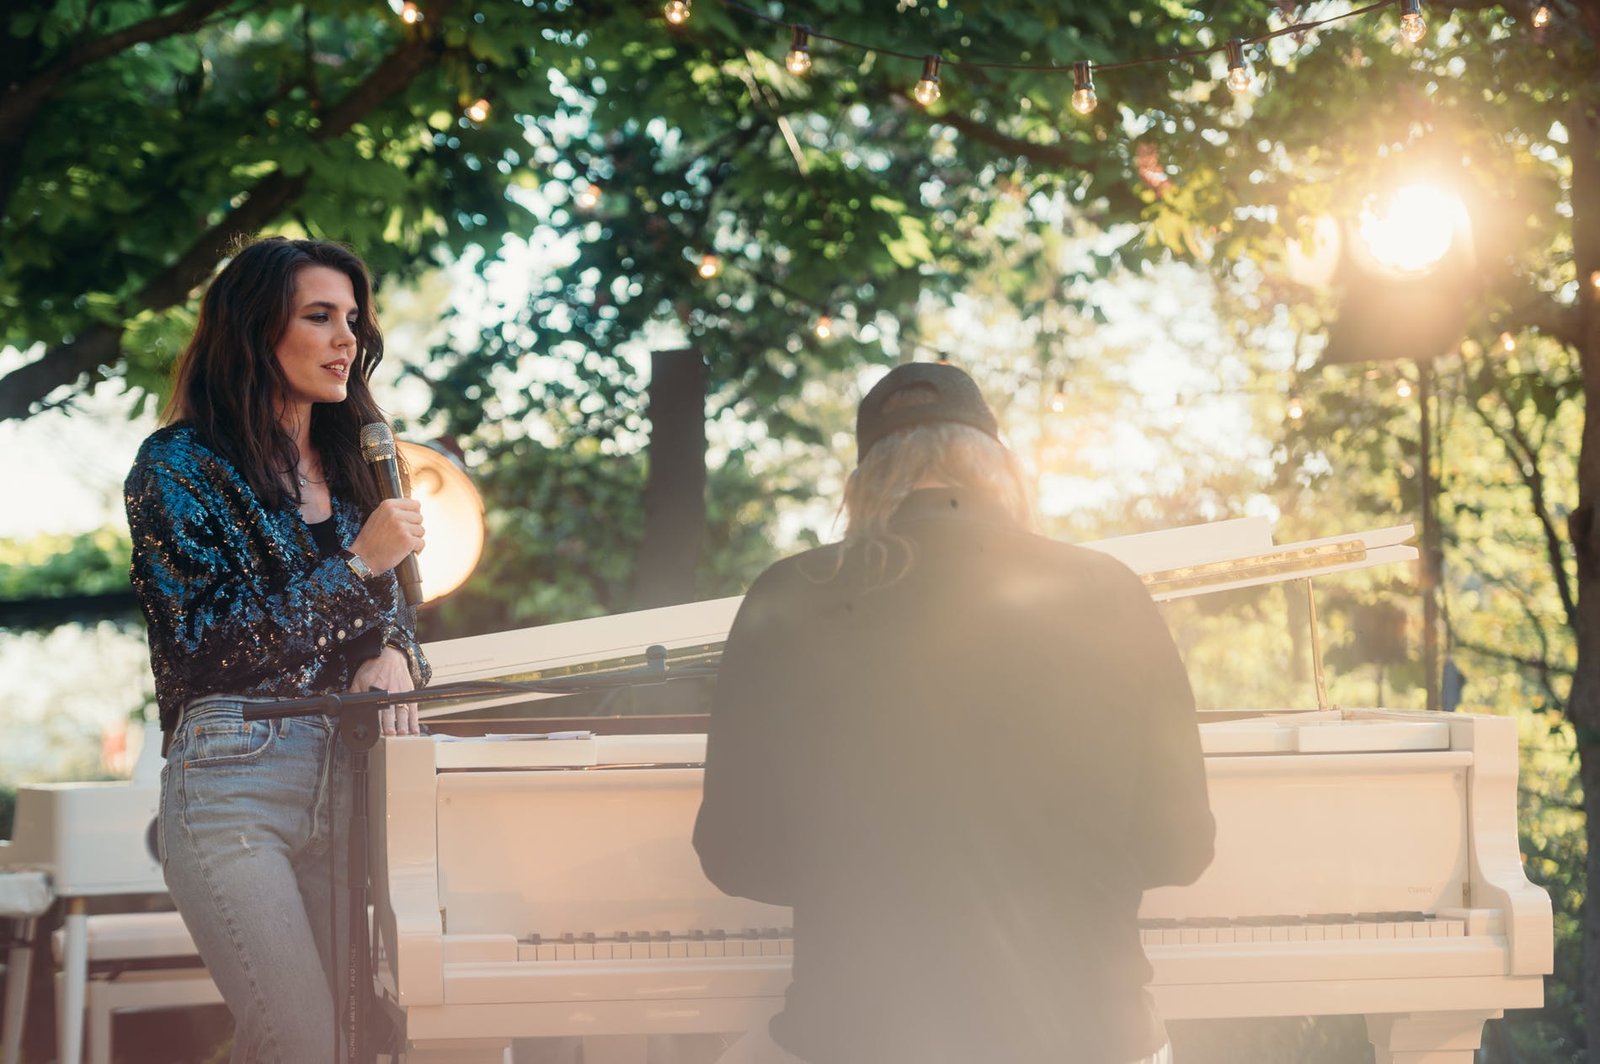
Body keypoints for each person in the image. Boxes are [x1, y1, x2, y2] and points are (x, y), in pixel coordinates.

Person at [693, 362, 1215, 1064]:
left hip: (860, 1036)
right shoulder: (1111, 591)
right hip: (1093, 1037)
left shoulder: (786, 596)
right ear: (1001, 470)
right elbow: (1181, 851)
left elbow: (734, 858)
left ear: (860, 486)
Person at [124, 236, 431, 1063]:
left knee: (363, 1043)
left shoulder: (361, 459)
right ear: (258, 330)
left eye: (354, 321)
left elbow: (401, 615)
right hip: (235, 778)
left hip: (353, 782)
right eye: (320, 317)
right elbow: (204, 649)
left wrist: (395, 650)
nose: (347, 340)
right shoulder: (178, 465)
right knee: (300, 1040)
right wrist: (360, 561)